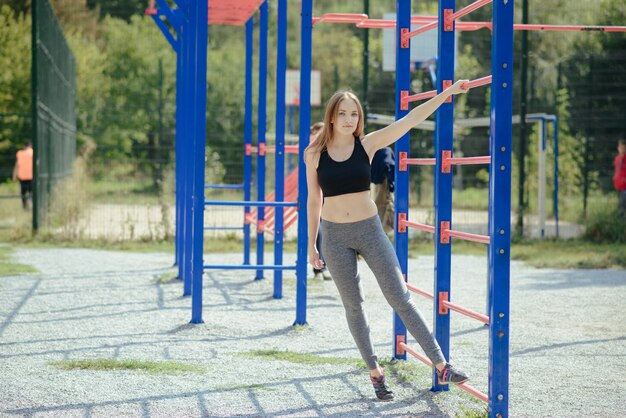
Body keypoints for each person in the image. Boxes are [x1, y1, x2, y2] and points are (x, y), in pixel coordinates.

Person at [304, 81, 470, 401]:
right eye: (343, 113)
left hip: (369, 230)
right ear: (332, 117)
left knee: (400, 296)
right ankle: (375, 373)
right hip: (335, 237)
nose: (350, 119)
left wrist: (446, 95)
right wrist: (311, 244)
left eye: (355, 113)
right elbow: (313, 201)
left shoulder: (367, 145)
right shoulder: (314, 154)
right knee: (355, 306)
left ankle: (440, 363)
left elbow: (408, 121)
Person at [310, 122, 332, 280]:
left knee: (325, 233)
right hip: (314, 198)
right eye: (315, 133)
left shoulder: (329, 150)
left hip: (328, 198)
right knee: (316, 232)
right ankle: (317, 269)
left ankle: (323, 267)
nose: (318, 137)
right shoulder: (310, 152)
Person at [371, 147, 395, 234]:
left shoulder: (383, 151)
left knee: (379, 206)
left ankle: (379, 231)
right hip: (383, 179)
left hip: (382, 179)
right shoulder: (386, 151)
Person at [12, 141, 33, 210]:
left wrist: (14, 176)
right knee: (31, 192)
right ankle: (31, 203)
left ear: (24, 146)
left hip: (22, 177)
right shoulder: (32, 152)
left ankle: (25, 207)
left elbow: (16, 165)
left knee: (23, 193)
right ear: (30, 145)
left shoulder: (19, 153)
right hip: (31, 176)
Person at [613, 139, 626, 215]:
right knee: (620, 203)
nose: (622, 149)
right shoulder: (617, 159)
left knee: (623, 203)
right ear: (618, 148)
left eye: (624, 148)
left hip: (625, 186)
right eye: (621, 147)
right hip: (618, 184)